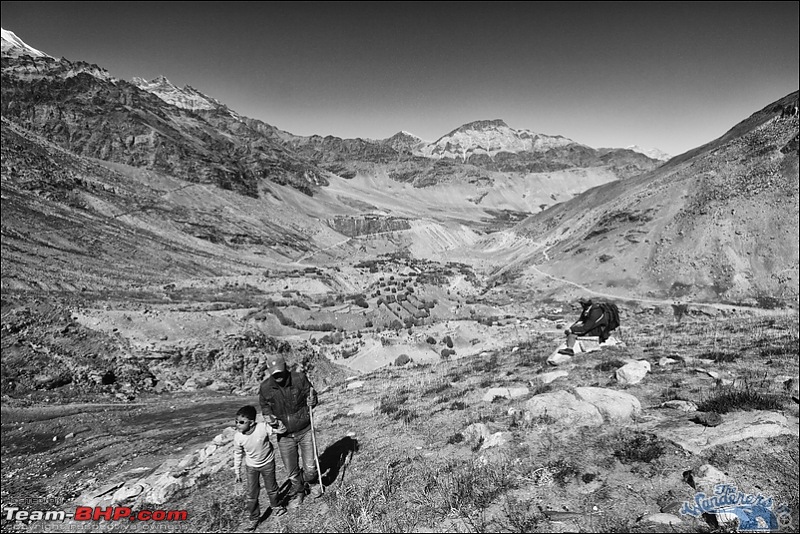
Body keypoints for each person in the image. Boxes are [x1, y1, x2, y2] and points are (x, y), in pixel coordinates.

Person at [259, 354, 321, 509]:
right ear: (270, 372)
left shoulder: (299, 378)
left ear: (285, 367)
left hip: (305, 429)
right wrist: (270, 418)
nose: (278, 376)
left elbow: (312, 395)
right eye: (275, 374)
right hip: (284, 435)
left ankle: (311, 482)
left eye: (280, 372)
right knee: (291, 472)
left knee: (311, 468)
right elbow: (265, 407)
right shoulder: (266, 388)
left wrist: (313, 400)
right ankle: (300, 491)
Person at [232, 405, 285, 531]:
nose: (237, 425)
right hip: (251, 467)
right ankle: (254, 517)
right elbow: (237, 454)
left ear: (251, 423)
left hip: (267, 463)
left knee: (272, 488)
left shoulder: (262, 428)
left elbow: (281, 430)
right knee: (252, 493)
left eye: (241, 422)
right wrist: (237, 472)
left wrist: (276, 423)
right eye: (236, 422)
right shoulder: (238, 437)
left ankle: (276, 506)